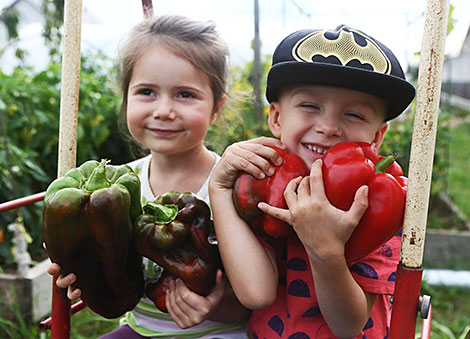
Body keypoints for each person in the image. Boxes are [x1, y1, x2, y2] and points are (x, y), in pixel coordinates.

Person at [47, 15, 250, 338]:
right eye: (146, 92)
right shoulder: (117, 189)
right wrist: (84, 276)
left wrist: (216, 304)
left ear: (216, 108)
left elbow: (259, 299)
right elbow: (120, 280)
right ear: (125, 97)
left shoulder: (230, 185)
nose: (164, 110)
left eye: (185, 94)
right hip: (140, 332)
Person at [209, 24, 416, 338]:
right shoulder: (264, 180)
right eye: (309, 106)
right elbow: (256, 293)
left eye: (354, 115)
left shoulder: (377, 200)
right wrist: (220, 188)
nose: (329, 127)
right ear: (276, 118)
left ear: (377, 136)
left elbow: (349, 325)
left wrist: (327, 250)